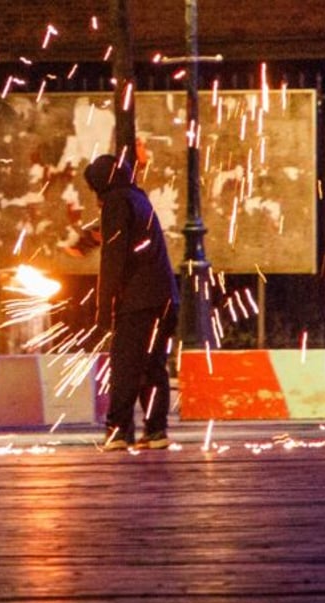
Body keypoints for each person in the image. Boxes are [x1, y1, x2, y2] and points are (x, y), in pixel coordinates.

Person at [83, 154, 180, 450]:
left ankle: (118, 431)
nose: (97, 200)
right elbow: (129, 240)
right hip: (165, 298)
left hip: (138, 301)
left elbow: (114, 258)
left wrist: (103, 311)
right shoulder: (139, 198)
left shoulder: (115, 202)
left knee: (125, 365)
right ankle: (156, 431)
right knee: (152, 365)